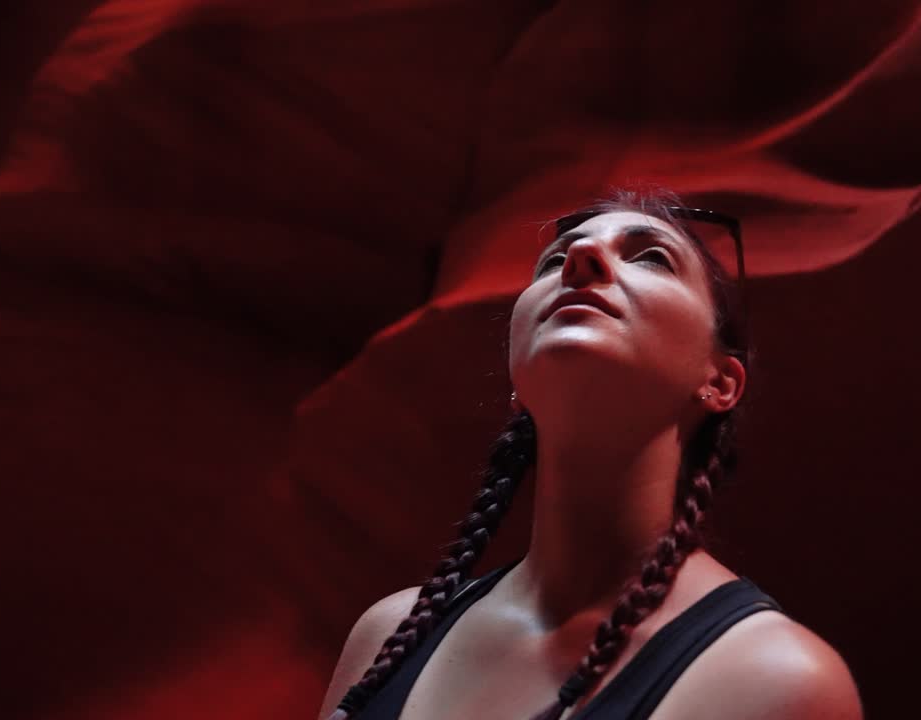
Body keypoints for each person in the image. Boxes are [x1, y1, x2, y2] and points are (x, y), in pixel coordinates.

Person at [318, 188, 863, 719]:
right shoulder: (387, 637)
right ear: (516, 382)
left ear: (720, 381)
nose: (580, 256)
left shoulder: (777, 683)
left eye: (652, 258)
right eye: (552, 260)